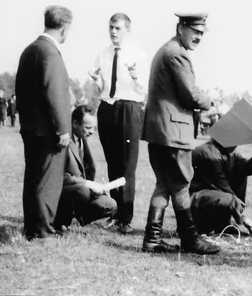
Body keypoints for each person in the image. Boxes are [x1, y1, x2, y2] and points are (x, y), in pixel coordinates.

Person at [141, 13, 219, 255]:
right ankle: (190, 240)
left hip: (160, 132)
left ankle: (152, 240)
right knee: (182, 184)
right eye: (195, 31)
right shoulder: (177, 53)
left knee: (164, 184)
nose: (198, 37)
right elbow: (190, 95)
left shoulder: (169, 50)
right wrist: (214, 105)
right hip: (173, 132)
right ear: (180, 28)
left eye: (201, 33)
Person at [15, 5, 73, 240]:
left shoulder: (30, 50)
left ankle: (32, 228)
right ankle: (42, 232)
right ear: (65, 27)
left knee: (33, 180)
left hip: (31, 127)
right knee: (47, 183)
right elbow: (55, 93)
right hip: (47, 131)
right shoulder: (50, 52)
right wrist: (62, 129)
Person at [90, 13, 148, 234]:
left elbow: (143, 90)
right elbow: (103, 87)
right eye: (111, 28)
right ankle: (115, 213)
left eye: (118, 28)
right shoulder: (103, 55)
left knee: (127, 166)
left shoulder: (138, 55)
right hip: (107, 107)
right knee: (113, 162)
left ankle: (126, 217)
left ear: (127, 30)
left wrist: (135, 77)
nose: (113, 32)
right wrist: (97, 82)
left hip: (129, 107)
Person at [54, 106, 117, 230]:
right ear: (75, 123)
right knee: (81, 191)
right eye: (88, 127)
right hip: (64, 191)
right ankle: (59, 220)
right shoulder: (64, 142)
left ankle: (79, 218)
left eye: (94, 127)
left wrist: (97, 188)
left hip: (82, 190)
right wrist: (88, 184)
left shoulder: (82, 140)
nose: (92, 131)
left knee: (110, 204)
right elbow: (58, 176)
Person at [189, 139, 252, 236]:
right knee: (229, 198)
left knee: (241, 174)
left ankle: (223, 225)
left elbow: (244, 167)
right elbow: (221, 186)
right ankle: (201, 227)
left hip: (212, 196)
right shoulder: (209, 154)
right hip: (198, 199)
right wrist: (243, 217)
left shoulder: (226, 150)